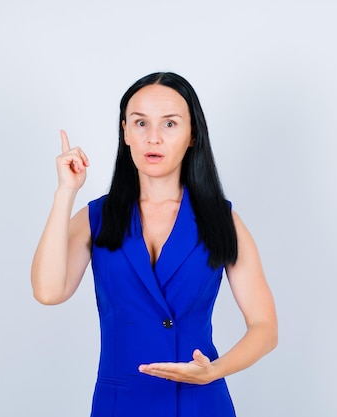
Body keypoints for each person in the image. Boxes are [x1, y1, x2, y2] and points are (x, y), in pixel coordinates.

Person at [31, 72, 277, 417]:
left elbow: (265, 328)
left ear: (192, 135)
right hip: (121, 404)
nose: (154, 138)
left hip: (200, 402)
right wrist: (65, 193)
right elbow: (48, 291)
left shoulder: (222, 220)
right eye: (141, 123)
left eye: (170, 124)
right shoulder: (97, 217)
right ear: (126, 132)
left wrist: (213, 370)